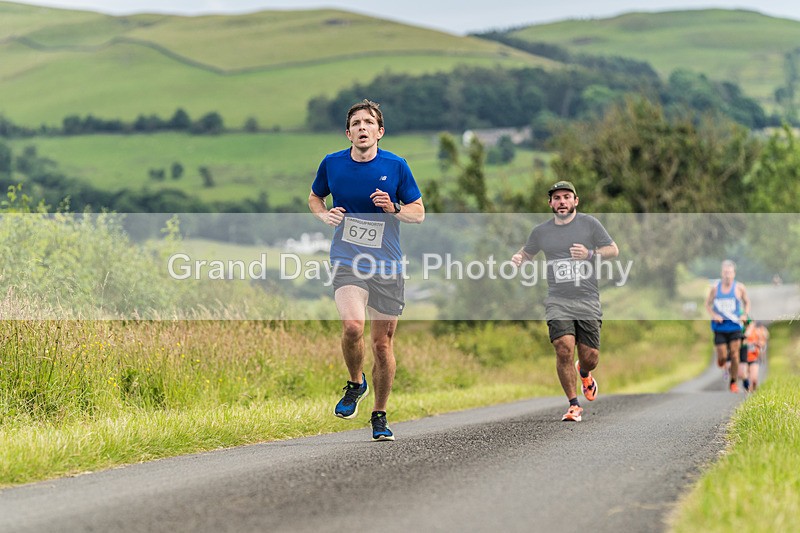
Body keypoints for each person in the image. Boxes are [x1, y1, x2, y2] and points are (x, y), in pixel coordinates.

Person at [308, 99, 424, 441]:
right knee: (351, 326)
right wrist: (324, 215)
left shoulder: (397, 165)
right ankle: (356, 383)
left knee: (382, 345)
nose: (362, 127)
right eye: (356, 123)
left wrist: (394, 208)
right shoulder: (332, 164)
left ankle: (379, 413)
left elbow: (419, 212)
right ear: (348, 133)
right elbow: (315, 198)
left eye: (368, 122)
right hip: (348, 259)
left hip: (387, 264)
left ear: (379, 131)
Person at [511, 181, 619, 422]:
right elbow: (528, 252)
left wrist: (590, 254)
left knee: (590, 356)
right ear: (550, 203)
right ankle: (573, 405)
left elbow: (613, 250)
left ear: (575, 201)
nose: (562, 201)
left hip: (587, 298)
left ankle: (584, 373)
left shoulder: (589, 224)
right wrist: (519, 258)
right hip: (558, 300)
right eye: (557, 197)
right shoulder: (541, 231)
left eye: (566, 197)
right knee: (563, 348)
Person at [705, 260, 750, 393]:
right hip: (720, 327)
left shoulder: (739, 288)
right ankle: (722, 359)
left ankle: (733, 382)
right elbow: (707, 304)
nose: (727, 275)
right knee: (723, 356)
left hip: (735, 326)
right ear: (721, 273)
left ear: (734, 274)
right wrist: (714, 315)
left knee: (735, 355)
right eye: (725, 273)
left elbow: (747, 302)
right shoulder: (715, 288)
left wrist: (745, 315)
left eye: (729, 273)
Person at [739, 320, 768, 392]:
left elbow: (763, 343)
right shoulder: (739, 332)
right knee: (743, 375)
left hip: (754, 358)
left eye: (748, 324)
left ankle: (753, 393)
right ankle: (747, 389)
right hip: (743, 358)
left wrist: (757, 343)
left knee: (754, 380)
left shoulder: (757, 332)